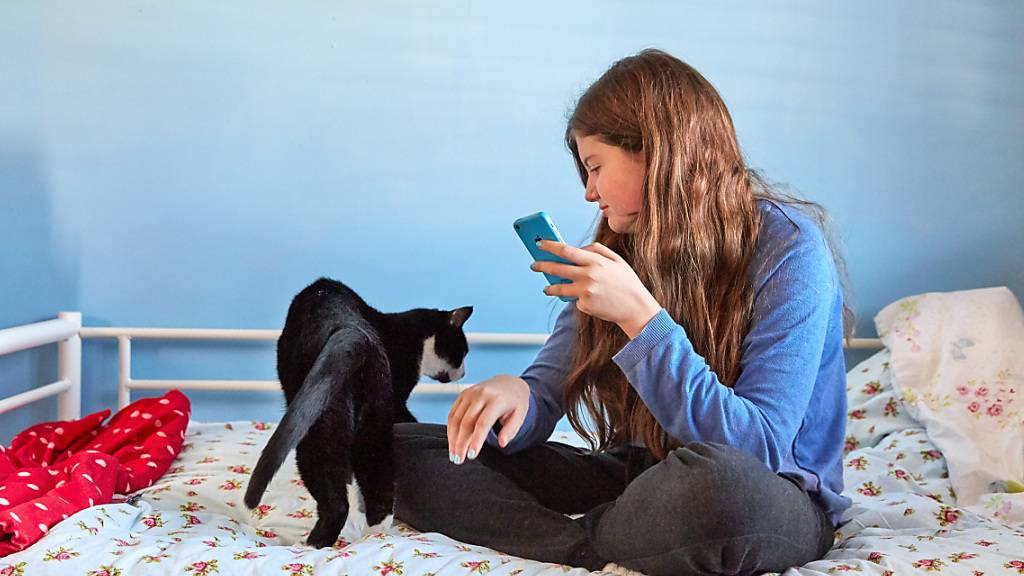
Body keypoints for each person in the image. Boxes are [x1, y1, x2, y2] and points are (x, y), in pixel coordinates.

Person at [393, 48, 853, 576]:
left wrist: (641, 319)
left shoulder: (790, 249)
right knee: (398, 450)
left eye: (594, 167)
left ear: (658, 153)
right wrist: (515, 395)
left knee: (723, 492)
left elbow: (759, 450)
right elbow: (546, 393)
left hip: (769, 494)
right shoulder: (624, 247)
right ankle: (591, 543)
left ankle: (608, 530)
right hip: (646, 479)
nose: (588, 193)